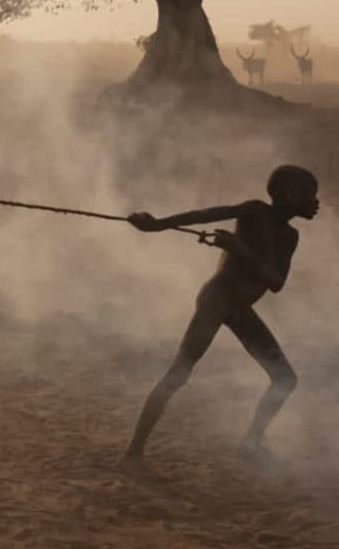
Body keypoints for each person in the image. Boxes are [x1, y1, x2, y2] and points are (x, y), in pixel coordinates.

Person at [120, 165, 319, 473]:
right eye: (310, 195)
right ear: (291, 196)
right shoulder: (255, 211)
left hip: (239, 308)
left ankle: (251, 442)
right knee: (178, 374)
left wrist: (240, 251)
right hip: (216, 301)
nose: (316, 202)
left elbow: (277, 283)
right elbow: (205, 215)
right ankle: (132, 454)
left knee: (285, 379)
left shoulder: (290, 236)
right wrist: (157, 225)